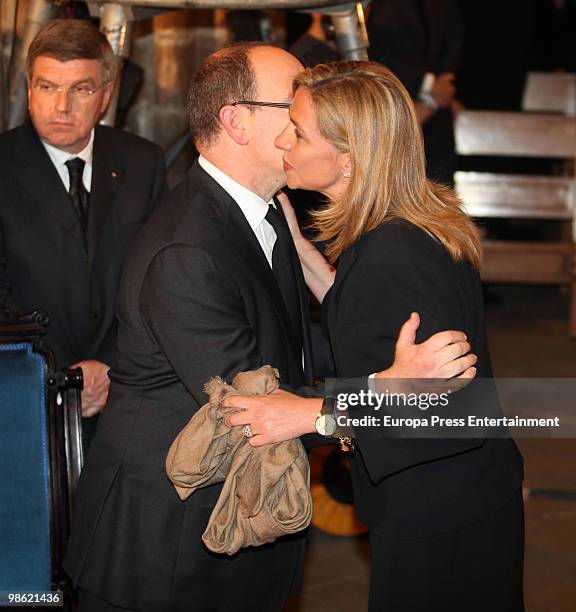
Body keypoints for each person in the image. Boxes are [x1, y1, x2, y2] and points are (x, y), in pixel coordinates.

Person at [64, 44, 477, 612]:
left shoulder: (266, 212)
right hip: (166, 549)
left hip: (229, 526)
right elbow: (252, 407)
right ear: (236, 119)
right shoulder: (188, 248)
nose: (304, 120)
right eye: (293, 103)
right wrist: (385, 388)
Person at [225, 61, 525, 611]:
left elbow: (446, 411)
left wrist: (313, 415)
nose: (282, 139)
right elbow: (369, 312)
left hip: (442, 514)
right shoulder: (401, 224)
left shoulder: (394, 253)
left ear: (348, 157)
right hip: (461, 497)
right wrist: (299, 247)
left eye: (299, 131)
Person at [0, 20, 166, 441]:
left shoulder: (143, 163)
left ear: (106, 96)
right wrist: (60, 374)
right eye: (47, 87)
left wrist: (111, 366)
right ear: (29, 89)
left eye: (80, 89)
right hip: (23, 393)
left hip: (124, 391)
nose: (61, 106)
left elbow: (157, 281)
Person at [367, 0, 463, 184]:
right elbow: (368, 53)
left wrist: (446, 86)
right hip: (388, 107)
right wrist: (428, 85)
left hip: (436, 123)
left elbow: (453, 39)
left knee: (439, 192)